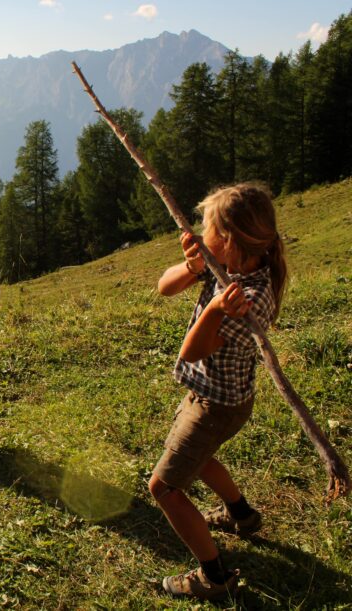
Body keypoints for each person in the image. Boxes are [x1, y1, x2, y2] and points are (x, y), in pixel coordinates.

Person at [149, 183, 287, 601]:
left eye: (207, 230)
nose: (199, 234)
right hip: (216, 395)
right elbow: (164, 287)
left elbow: (191, 349)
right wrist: (193, 266)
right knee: (202, 457)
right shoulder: (231, 267)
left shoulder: (247, 297)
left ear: (228, 241)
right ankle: (242, 517)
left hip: (217, 404)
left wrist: (212, 309)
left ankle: (214, 578)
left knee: (165, 488)